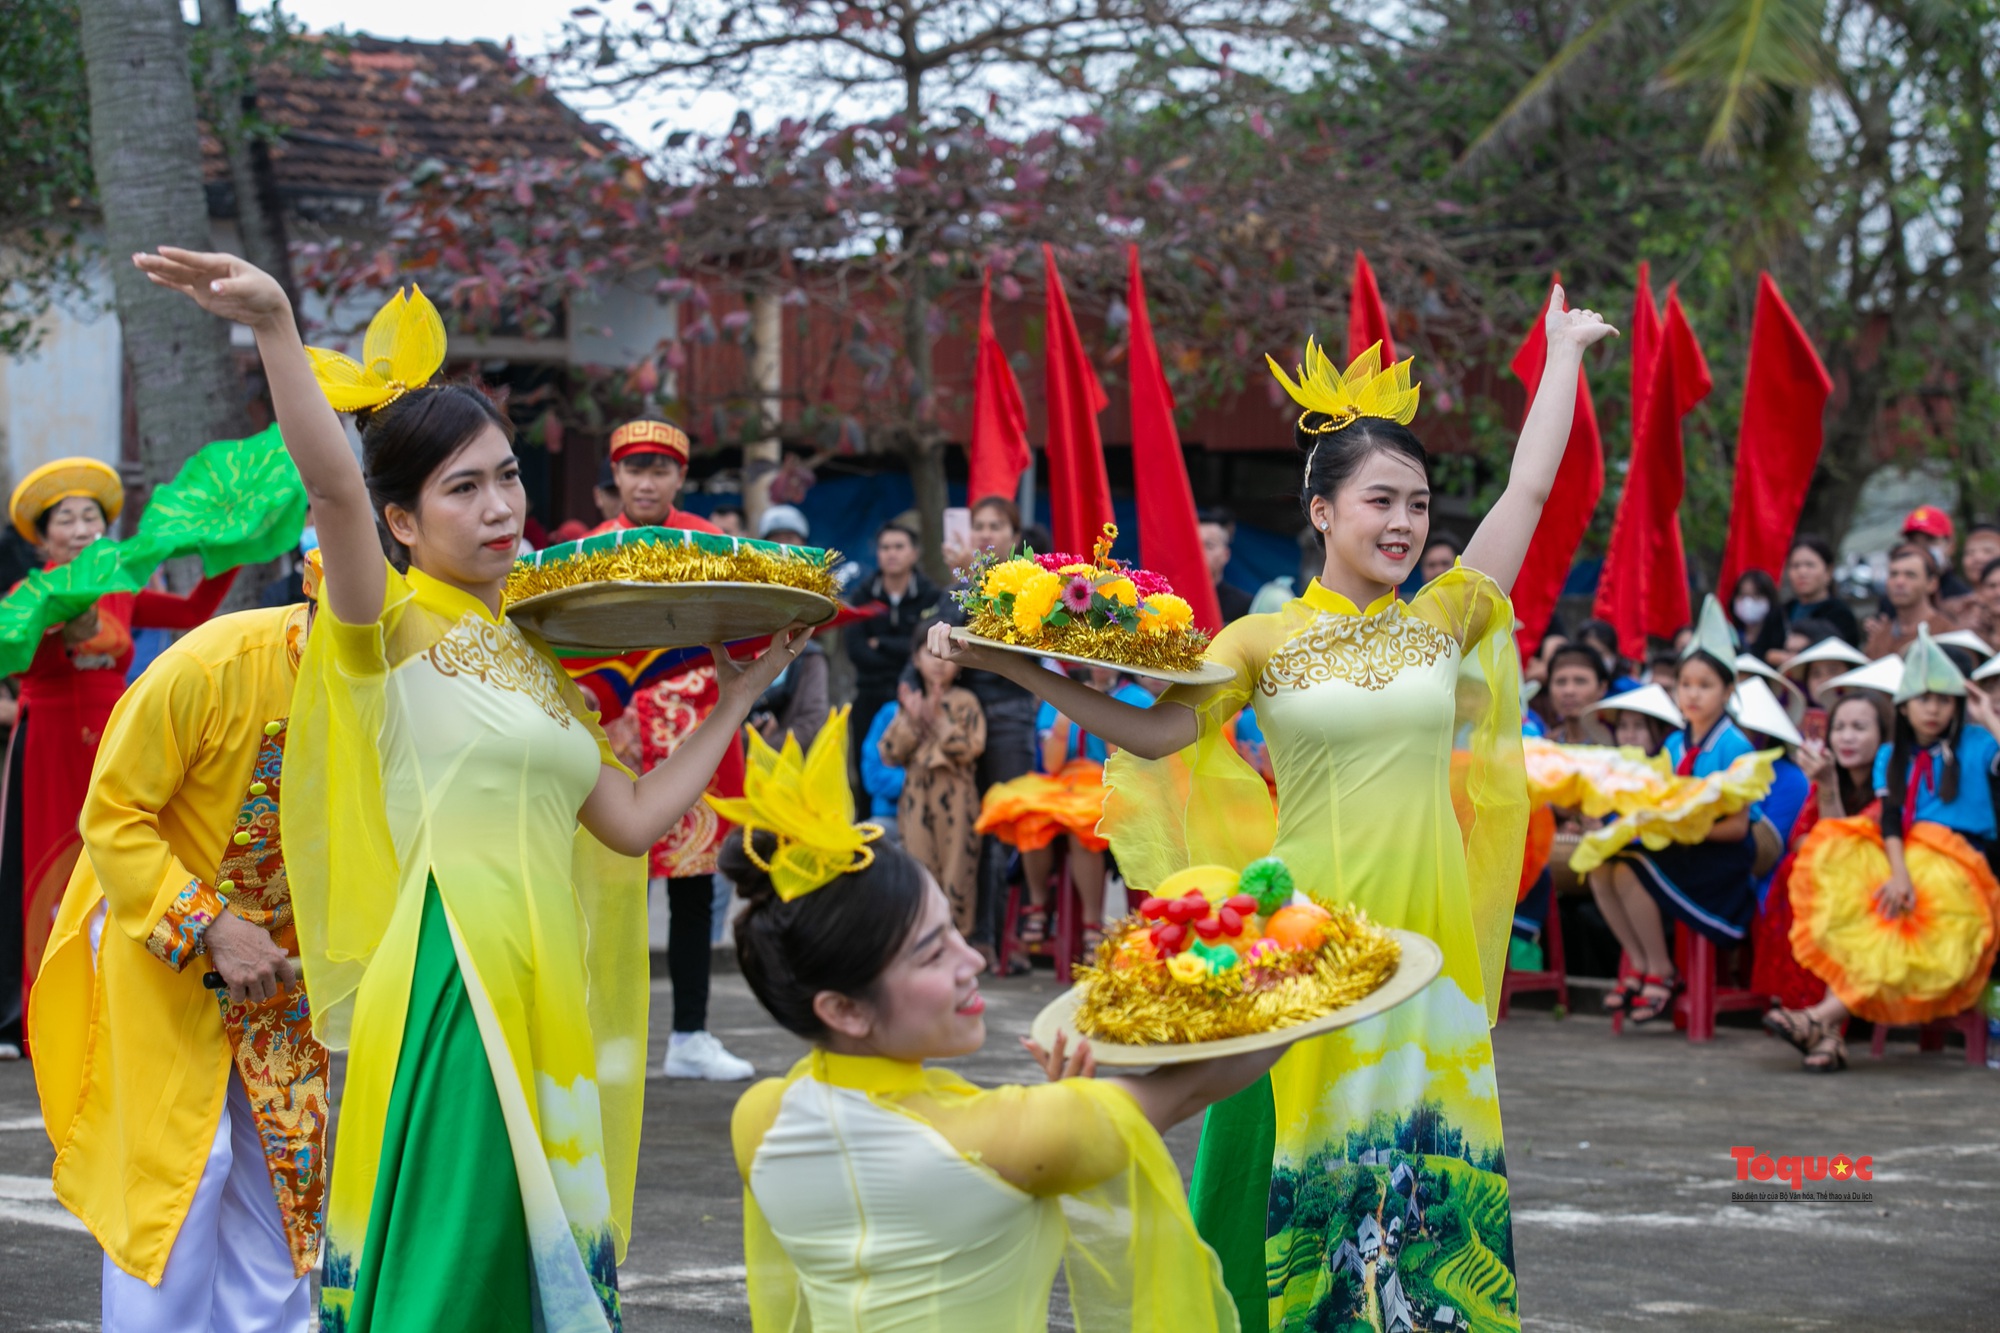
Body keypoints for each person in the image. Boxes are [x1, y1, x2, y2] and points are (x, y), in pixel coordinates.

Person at [136, 249, 811, 1333]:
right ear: (400, 522)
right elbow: (331, 488)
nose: (499, 506)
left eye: (506, 475)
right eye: (463, 487)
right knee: (458, 1265)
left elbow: (633, 818)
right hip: (459, 977)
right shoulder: (387, 630)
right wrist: (272, 323)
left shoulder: (530, 656)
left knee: (520, 1266)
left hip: (544, 980)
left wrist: (736, 696)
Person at [934, 291, 1618, 1332]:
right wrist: (1007, 664)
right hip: (1307, 939)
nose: (1402, 523)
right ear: (1321, 511)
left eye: (1419, 506)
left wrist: (1563, 354)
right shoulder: (1258, 642)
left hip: (1424, 946)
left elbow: (1529, 486)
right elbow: (1156, 732)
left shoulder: (1447, 616)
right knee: (1306, 1174)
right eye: (1379, 501)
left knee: (1432, 1181)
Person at [717, 711, 1272, 1333]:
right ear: (842, 1008)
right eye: (931, 952)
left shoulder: (760, 1119)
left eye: (953, 930)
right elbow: (1213, 1070)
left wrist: (1061, 1119)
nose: (973, 958)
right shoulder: (1013, 1138)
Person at [32, 591, 325, 1330]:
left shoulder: (412, 677)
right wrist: (210, 925)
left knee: (282, 1174)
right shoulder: (214, 663)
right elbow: (113, 812)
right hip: (160, 928)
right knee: (180, 1178)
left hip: (287, 956)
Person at [1, 460, 237, 1058]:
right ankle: (39, 1013)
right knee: (46, 867)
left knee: (122, 857)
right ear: (43, 536)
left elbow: (189, 613)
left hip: (115, 736)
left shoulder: (121, 585)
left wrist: (229, 552)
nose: (81, 527)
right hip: (51, 736)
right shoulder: (27, 597)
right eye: (66, 519)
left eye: (91, 516)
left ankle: (120, 999)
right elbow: (18, 662)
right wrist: (55, 625)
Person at [585, 419, 758, 1081]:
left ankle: (689, 1033)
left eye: (660, 469)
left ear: (680, 477)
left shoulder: (710, 543)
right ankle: (607, 1036)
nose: (647, 481)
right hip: (617, 740)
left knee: (693, 893)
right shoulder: (590, 552)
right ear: (617, 478)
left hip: (695, 735)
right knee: (611, 898)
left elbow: (741, 636)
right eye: (634, 469)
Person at [1587, 599, 1762, 1024]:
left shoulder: (1734, 745)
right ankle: (1642, 962)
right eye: (1685, 684)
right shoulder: (1673, 745)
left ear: (1728, 691)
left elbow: (1738, 829)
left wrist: (1676, 829)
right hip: (1680, 849)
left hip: (1720, 858)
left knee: (1630, 870)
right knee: (1600, 867)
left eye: (1705, 685)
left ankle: (1661, 971)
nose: (1693, 694)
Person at [1754, 692, 1886, 1071]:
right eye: (1839, 728)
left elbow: (1848, 844)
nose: (1846, 737)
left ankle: (1820, 1024)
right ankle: (1826, 1032)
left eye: (1859, 728)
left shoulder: (1889, 782)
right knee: (1801, 872)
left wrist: (1827, 791)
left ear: (1884, 736)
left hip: (1881, 890)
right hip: (1836, 887)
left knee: (1840, 896)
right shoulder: (1828, 778)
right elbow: (1802, 837)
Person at [939, 496, 1040, 968]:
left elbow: (1014, 638)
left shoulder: (1033, 583)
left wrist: (975, 579)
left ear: (1013, 535)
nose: (985, 533)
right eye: (978, 524)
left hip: (1011, 712)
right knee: (970, 829)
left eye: (995, 525)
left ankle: (1010, 938)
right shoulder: (962, 580)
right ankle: (977, 936)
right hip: (969, 717)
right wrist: (964, 578)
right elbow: (945, 636)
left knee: (1009, 828)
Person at [1013, 665, 1155, 952]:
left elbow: (1119, 761)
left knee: (1085, 825)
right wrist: (1068, 714)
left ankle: (1092, 923)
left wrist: (1101, 714)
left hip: (1111, 783)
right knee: (1027, 814)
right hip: (1064, 782)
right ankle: (1038, 906)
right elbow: (1051, 765)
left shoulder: (1137, 699)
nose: (1098, 665)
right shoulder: (1058, 696)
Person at [878, 623, 986, 938]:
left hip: (956, 797)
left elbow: (971, 749)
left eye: (946, 654)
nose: (938, 661)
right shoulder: (910, 702)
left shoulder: (966, 702)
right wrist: (912, 720)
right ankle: (922, 944)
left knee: (958, 872)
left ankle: (957, 941)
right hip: (916, 797)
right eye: (929, 652)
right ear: (915, 659)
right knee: (918, 868)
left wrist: (938, 720)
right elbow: (889, 752)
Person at [847, 521, 940, 752]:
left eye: (899, 547)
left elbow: (930, 647)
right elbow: (857, 651)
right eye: (885, 547)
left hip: (918, 697)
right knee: (868, 772)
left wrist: (882, 643)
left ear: (914, 553)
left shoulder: (931, 596)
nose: (892, 553)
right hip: (869, 695)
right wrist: (908, 649)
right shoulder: (862, 596)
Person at [1863, 541, 1960, 658]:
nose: (1899, 582)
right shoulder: (1879, 639)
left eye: (1910, 575)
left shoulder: (1947, 634)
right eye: (1893, 574)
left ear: (1932, 584)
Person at [1782, 535, 1861, 646]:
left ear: (1828, 571)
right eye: (1795, 566)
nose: (1802, 572)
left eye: (1810, 565)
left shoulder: (1840, 615)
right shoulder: (1782, 612)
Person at [1538, 643, 1613, 744]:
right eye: (1560, 681)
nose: (1569, 691)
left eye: (1580, 681)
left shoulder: (1619, 746)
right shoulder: (1545, 747)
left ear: (1602, 688)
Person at [859, 687, 907, 842]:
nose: (939, 664)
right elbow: (873, 777)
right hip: (888, 817)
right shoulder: (890, 714)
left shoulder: (955, 710)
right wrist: (915, 779)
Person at [1197, 506, 1255, 623]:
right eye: (1195, 545)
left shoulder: (1244, 605)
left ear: (1226, 554)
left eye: (1209, 545)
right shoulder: (1173, 599)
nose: (1200, 552)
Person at [1902, 505, 1971, 601]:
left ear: (1951, 546)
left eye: (1930, 540)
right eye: (1913, 541)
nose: (1921, 549)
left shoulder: (1964, 599)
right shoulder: (1894, 599)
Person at [1728, 567, 1789, 665]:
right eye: (1743, 595)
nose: (1748, 602)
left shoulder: (1783, 637)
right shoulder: (1729, 636)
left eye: (1756, 596)